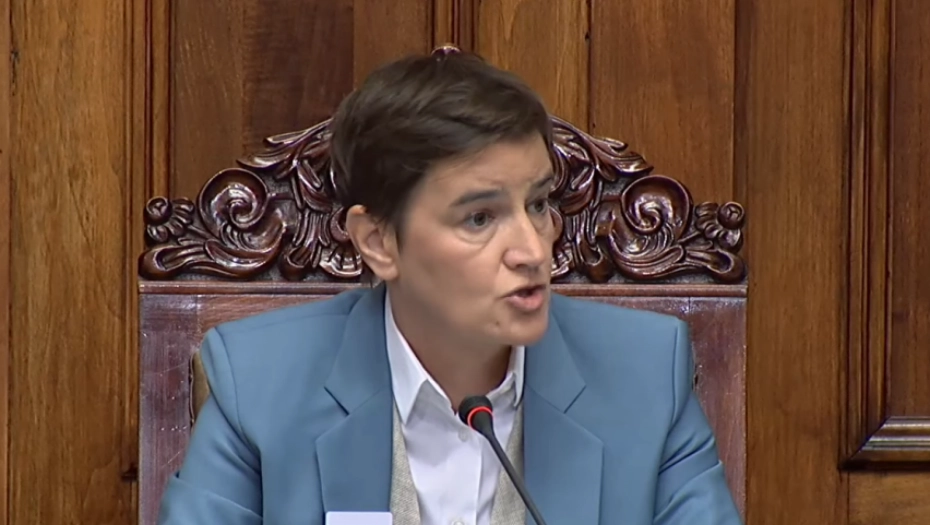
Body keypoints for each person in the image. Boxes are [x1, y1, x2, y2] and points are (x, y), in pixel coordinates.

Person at [157, 48, 743, 525]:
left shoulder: (645, 376)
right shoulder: (260, 383)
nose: (534, 250)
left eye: (538, 204)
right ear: (379, 242)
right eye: (480, 218)